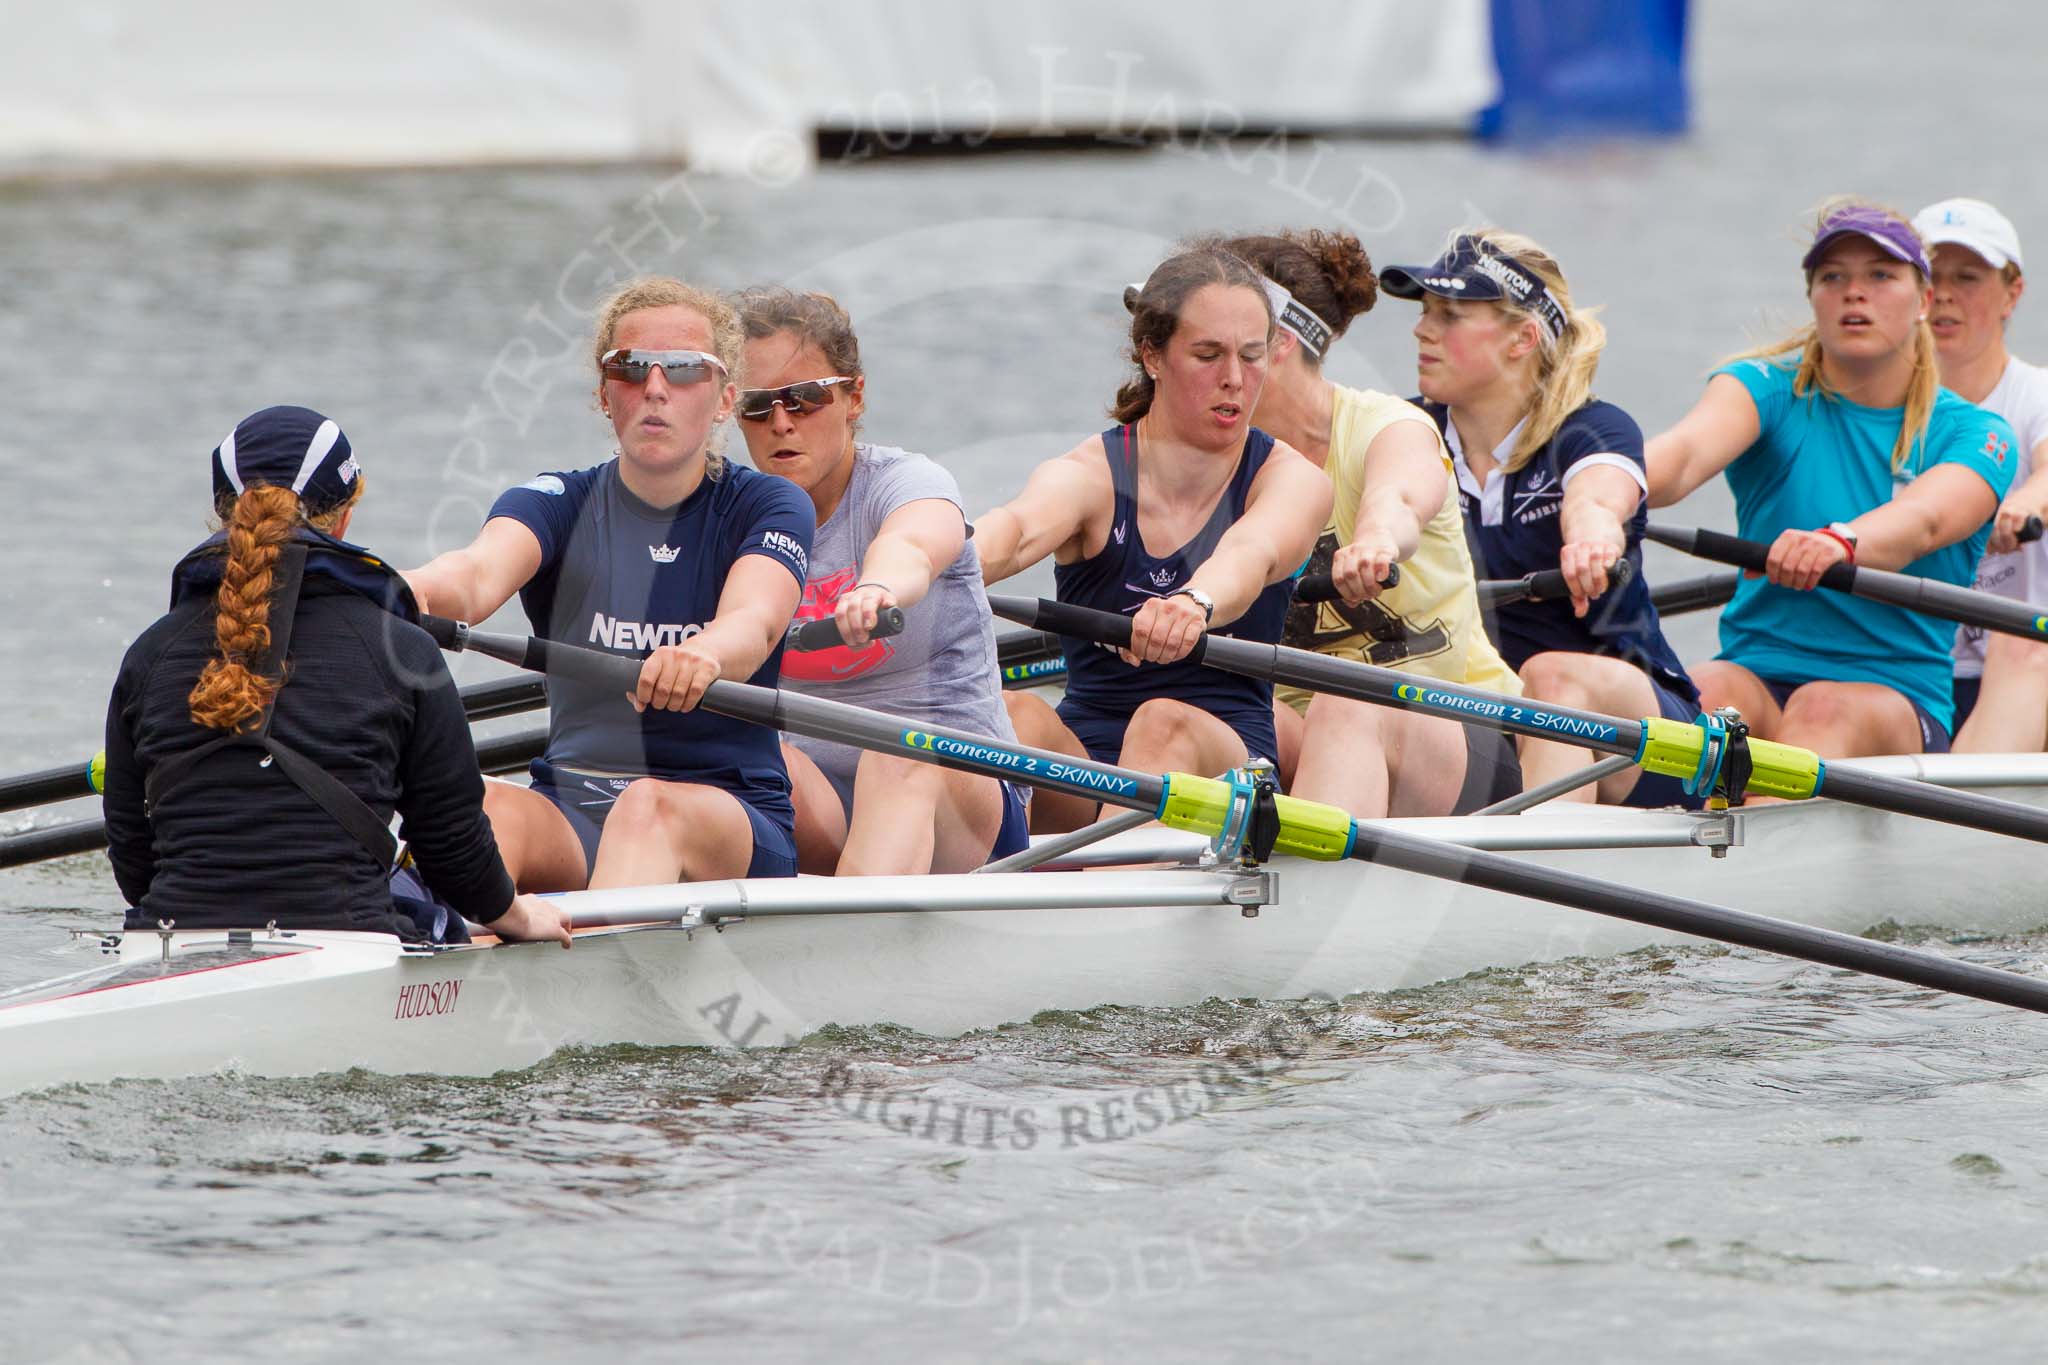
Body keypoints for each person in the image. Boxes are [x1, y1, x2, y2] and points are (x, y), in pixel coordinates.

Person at [103, 405, 570, 946]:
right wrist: (515, 915)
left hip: (166, 942)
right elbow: (452, 849)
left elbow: (134, 864)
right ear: (344, 516)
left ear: (223, 514)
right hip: (349, 941)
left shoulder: (148, 655)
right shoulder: (403, 653)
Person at [406, 277, 814, 889]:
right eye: (629, 369)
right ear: (605, 394)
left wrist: (702, 653)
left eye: (682, 369)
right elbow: (473, 574)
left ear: (725, 399)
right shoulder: (555, 503)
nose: (654, 388)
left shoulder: (767, 505)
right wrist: (395, 589)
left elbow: (753, 622)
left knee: (647, 808)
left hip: (725, 813)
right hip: (574, 808)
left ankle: (569, 976)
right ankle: (444, 963)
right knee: (477, 804)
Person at [975, 245, 1332, 832]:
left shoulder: (1291, 480)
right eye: (1208, 355)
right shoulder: (1091, 473)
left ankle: (1103, 900)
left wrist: (1193, 604)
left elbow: (1249, 555)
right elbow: (1013, 533)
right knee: (1012, 714)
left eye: (1252, 356)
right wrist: (931, 564)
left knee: (1161, 722)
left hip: (1228, 763)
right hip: (1091, 764)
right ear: (1153, 356)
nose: (1235, 380)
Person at [1647, 199, 2017, 759]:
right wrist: (1603, 492)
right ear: (1813, 297)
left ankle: (1752, 839)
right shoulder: (1762, 388)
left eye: (1880, 275)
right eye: (1833, 276)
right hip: (1756, 670)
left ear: (1923, 301)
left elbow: (1924, 521)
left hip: (1896, 696)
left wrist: (1838, 542)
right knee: (1700, 690)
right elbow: (1680, 457)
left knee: (1823, 707)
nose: (1854, 292)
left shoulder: (1976, 433)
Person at [1376, 228, 1702, 807]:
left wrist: (1593, 543)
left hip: (1640, 734)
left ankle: (1532, 877)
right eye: (1426, 312)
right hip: (1487, 720)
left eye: (1449, 315)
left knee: (1552, 677)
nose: (1421, 330)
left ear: (1522, 338)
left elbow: (1598, 500)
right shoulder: (1403, 430)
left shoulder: (1591, 430)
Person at [1218, 228, 1523, 818]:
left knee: (1345, 701)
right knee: (1185, 712)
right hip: (1297, 734)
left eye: (1208, 344)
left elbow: (1399, 499)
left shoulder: (1387, 426)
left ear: (1275, 343)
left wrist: (1377, 540)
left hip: (1458, 731)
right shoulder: (1208, 460)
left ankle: (1306, 898)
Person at [732, 286, 1029, 874]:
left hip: (958, 799)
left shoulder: (905, 482)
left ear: (853, 397)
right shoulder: (733, 517)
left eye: (806, 398)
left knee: (897, 754)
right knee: (726, 761)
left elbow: (912, 545)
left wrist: (877, 589)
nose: (782, 422)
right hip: (821, 811)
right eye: (758, 405)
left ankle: (851, 947)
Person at [1910, 199, 2048, 752]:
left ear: (2012, 293)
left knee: (2022, 645)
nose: (1944, 294)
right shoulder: (1876, 408)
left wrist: (2027, 504)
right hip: (1917, 670)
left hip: (2025, 663)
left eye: (1966, 277)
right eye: (1929, 277)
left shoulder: (2036, 394)